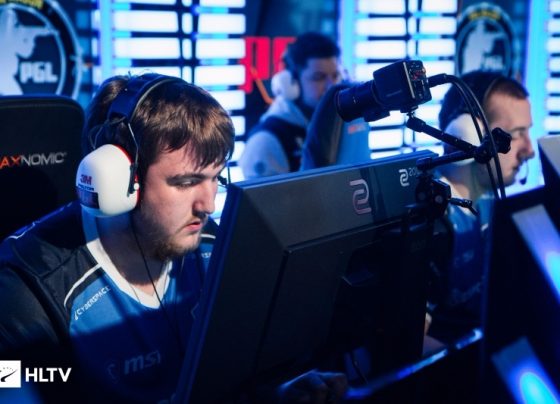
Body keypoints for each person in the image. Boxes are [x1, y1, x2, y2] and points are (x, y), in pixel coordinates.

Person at [0, 73, 347, 403]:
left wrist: (275, 394)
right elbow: (14, 383)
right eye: (186, 182)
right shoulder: (27, 291)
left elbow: (225, 378)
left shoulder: (210, 246)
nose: (208, 205)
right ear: (120, 180)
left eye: (215, 178)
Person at [427, 70, 536, 343]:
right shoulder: (430, 219)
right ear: (467, 134)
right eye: (517, 134)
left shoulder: (489, 200)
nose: (530, 150)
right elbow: (408, 343)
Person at [239, 31, 342, 178]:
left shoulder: (339, 126)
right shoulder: (266, 140)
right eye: (319, 77)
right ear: (291, 83)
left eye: (335, 76)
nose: (331, 86)